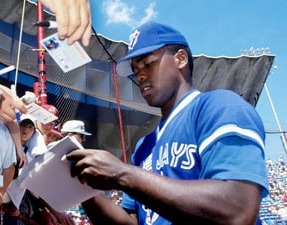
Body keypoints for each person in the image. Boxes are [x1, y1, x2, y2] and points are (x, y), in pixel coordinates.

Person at [65, 21, 269, 225]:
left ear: (180, 59)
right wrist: (84, 190)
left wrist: (121, 173)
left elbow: (238, 210)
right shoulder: (144, 146)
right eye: (135, 70)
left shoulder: (219, 106)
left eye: (148, 63)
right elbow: (132, 222)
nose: (140, 75)